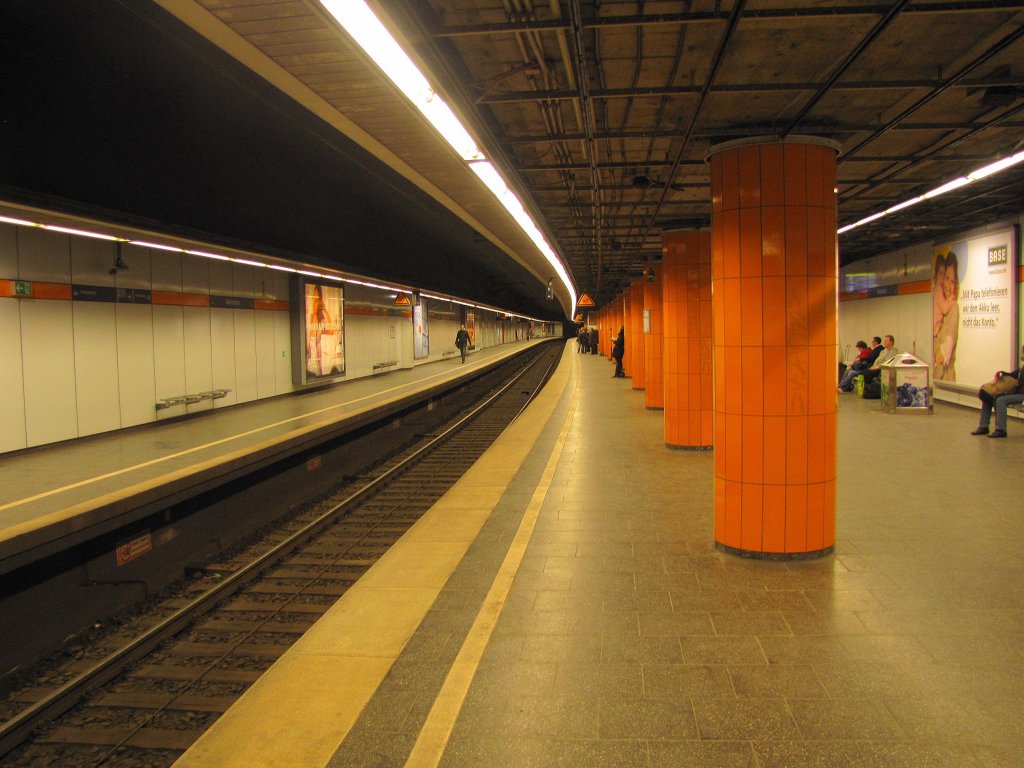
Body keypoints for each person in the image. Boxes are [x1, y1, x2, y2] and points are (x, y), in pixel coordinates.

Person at [971, 345, 1024, 438]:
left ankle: (1001, 429)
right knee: (989, 396)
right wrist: (1002, 373)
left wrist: (1007, 392)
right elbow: (1012, 375)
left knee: (1000, 400)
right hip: (1018, 393)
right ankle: (983, 426)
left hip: (1021, 395)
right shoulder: (1022, 369)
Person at [932, 251, 960, 382]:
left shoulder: (953, 308)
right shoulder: (938, 292)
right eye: (945, 277)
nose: (946, 283)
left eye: (951, 280)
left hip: (945, 376)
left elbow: (942, 356)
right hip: (939, 376)